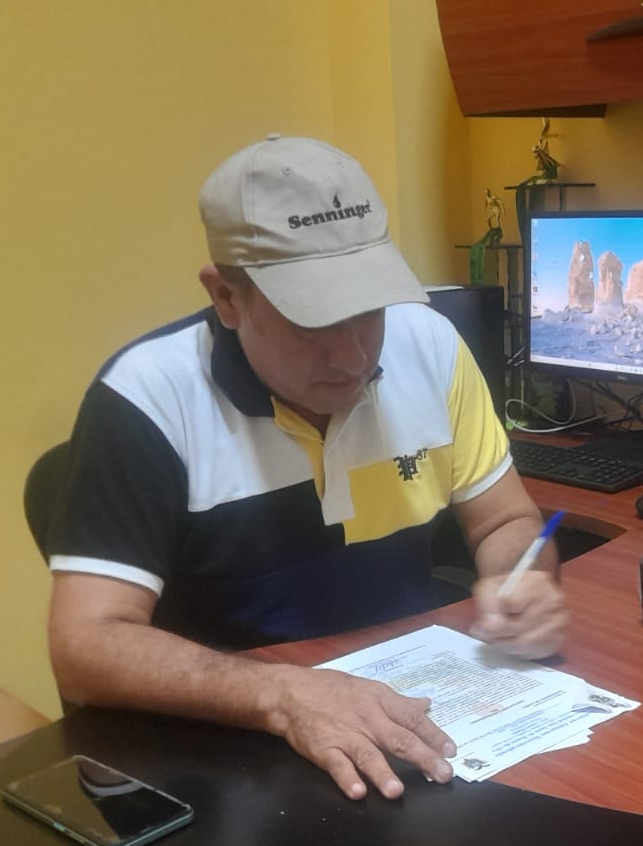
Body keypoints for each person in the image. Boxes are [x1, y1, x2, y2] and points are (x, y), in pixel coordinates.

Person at [45, 135, 567, 801]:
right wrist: (283, 694)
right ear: (227, 297)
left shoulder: (429, 345)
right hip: (229, 760)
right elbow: (84, 647)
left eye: (369, 312)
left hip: (407, 723)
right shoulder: (147, 399)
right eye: (312, 323)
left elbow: (507, 522)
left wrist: (523, 578)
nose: (353, 358)